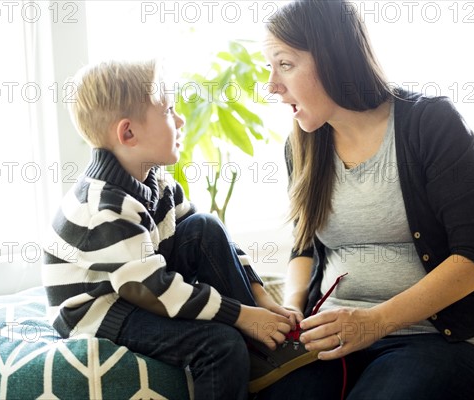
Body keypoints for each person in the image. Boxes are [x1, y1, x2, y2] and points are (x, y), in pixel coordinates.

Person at [256, 1, 474, 399]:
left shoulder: (431, 124)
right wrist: (293, 305)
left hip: (430, 338)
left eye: (284, 64)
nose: (271, 85)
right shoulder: (301, 144)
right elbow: (305, 246)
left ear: (334, 57)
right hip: (330, 339)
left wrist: (373, 323)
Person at [41, 59, 302, 400]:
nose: (180, 121)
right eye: (168, 111)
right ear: (128, 133)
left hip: (134, 284)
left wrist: (261, 299)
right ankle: (250, 349)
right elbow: (150, 288)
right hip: (104, 308)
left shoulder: (155, 181)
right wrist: (239, 315)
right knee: (220, 345)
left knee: (204, 226)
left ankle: (262, 347)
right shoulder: (104, 209)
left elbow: (211, 241)